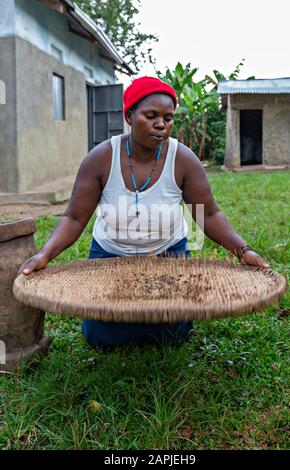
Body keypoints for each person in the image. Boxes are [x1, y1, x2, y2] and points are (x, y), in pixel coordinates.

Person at [17, 76, 269, 350]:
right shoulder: (101, 158)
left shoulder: (182, 159)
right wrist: (44, 254)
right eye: (151, 116)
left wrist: (243, 250)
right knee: (104, 338)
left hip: (167, 255)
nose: (162, 124)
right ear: (129, 116)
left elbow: (208, 214)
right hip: (110, 256)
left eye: (169, 118)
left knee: (170, 335)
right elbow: (74, 217)